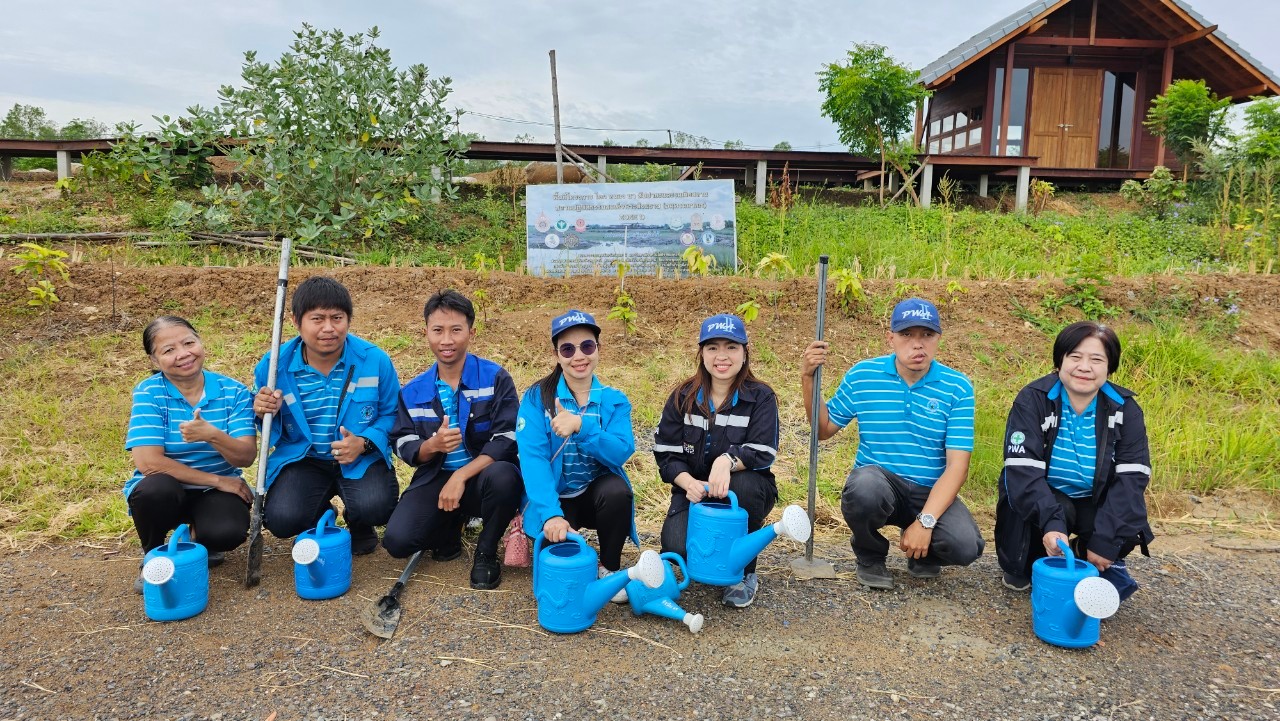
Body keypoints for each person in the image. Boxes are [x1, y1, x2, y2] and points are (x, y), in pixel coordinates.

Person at [802, 297, 984, 590]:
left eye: (927, 335)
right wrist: (808, 378)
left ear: (938, 339)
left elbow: (957, 467)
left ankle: (923, 553)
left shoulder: (958, 387)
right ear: (891, 338)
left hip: (929, 489)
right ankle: (870, 556)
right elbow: (822, 430)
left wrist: (925, 522)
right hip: (880, 482)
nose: (918, 344)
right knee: (864, 488)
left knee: (965, 546)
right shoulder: (863, 376)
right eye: (907, 335)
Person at [995, 321, 1153, 599]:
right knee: (1032, 549)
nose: (1084, 367)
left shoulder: (1126, 409)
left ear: (1109, 367)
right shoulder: (1033, 400)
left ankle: (1082, 555)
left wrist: (1105, 541)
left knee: (1126, 526)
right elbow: (1023, 472)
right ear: (1060, 361)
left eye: (1096, 359)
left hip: (1092, 499)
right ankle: (1031, 561)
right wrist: (1053, 523)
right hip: (1046, 497)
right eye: (1075, 357)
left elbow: (1132, 479)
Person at [384, 290, 524, 589]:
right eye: (438, 330)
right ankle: (449, 525)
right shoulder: (414, 390)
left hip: (483, 476)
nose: (446, 340)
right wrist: (430, 446)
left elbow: (507, 437)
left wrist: (460, 475)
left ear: (471, 332)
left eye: (456, 330)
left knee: (505, 476)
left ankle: (486, 550)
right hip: (436, 477)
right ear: (426, 333)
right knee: (398, 541)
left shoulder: (495, 378)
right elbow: (400, 441)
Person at [252, 276, 400, 555]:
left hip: (360, 458)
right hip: (303, 459)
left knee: (377, 507)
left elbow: (392, 414)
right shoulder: (273, 366)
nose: (329, 328)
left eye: (337, 317)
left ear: (348, 320)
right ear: (297, 321)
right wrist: (262, 411)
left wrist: (364, 442)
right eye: (317, 319)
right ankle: (322, 514)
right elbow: (268, 426)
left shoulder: (374, 359)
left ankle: (358, 522)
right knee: (283, 519)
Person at [653, 313, 779, 608]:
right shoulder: (682, 396)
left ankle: (743, 574)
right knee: (676, 547)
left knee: (745, 486)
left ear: (746, 352)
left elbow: (764, 450)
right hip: (695, 493)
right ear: (701, 353)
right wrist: (687, 483)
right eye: (712, 347)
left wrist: (727, 461)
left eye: (731, 347)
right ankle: (714, 560)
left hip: (742, 489)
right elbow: (665, 452)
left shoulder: (760, 397)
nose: (722, 356)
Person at [125, 316, 256, 592]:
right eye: (168, 350)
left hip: (214, 494)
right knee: (153, 490)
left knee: (228, 531)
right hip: (170, 486)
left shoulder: (234, 392)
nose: (183, 354)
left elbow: (245, 456)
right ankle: (154, 556)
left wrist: (212, 435)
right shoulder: (149, 392)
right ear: (154, 360)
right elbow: (148, 462)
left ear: (200, 343)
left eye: (188, 343)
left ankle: (197, 542)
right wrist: (219, 481)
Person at [518, 309, 638, 596]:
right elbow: (533, 460)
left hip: (596, 497)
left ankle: (609, 567)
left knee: (618, 491)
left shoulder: (614, 401)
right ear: (557, 355)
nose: (578, 356)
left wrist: (582, 426)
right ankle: (551, 530)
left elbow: (621, 452)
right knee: (561, 573)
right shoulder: (537, 399)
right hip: (558, 498)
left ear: (598, 349)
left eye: (587, 346)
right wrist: (550, 515)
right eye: (568, 349)